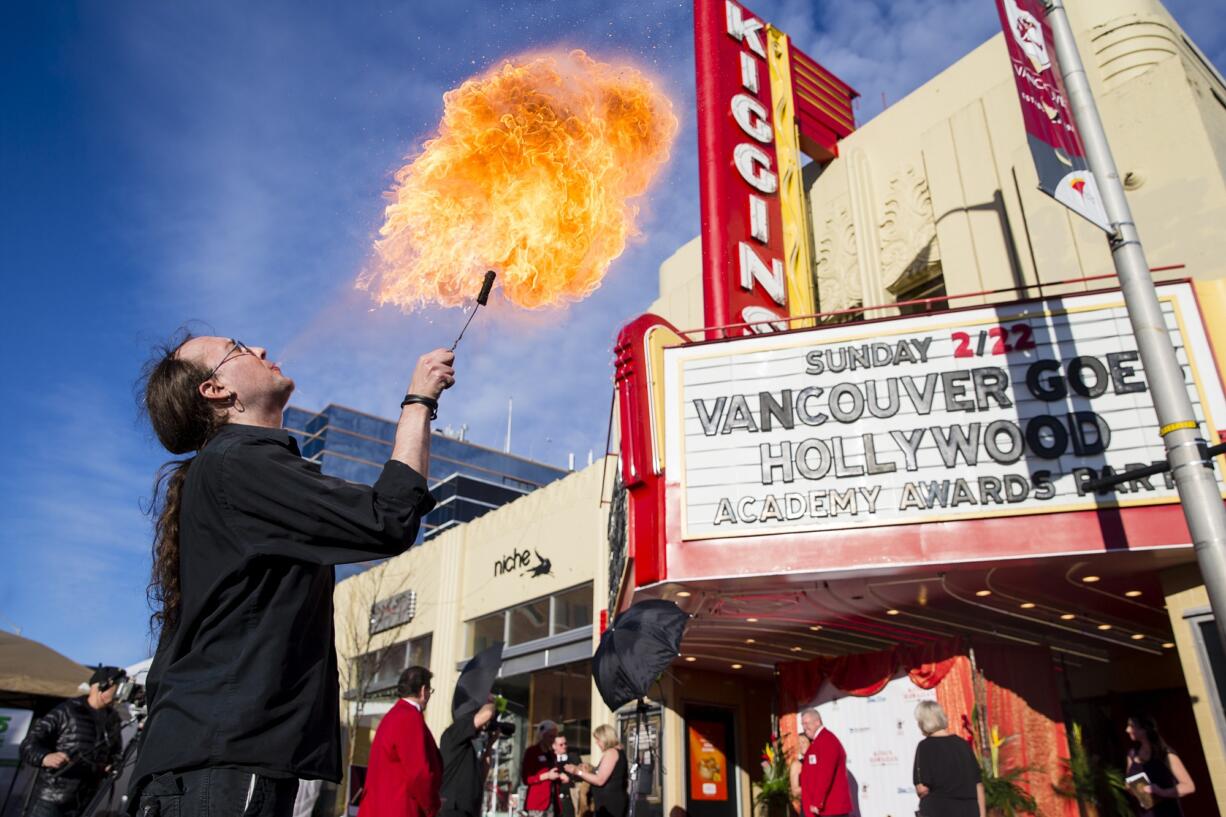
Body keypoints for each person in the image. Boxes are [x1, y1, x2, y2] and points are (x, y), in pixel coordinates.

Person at [131, 333, 453, 817]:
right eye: (238, 349)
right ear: (215, 390)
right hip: (222, 766)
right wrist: (418, 401)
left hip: (215, 762)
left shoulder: (230, 469)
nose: (259, 350)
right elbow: (387, 518)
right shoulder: (238, 462)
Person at [20, 666, 125, 817]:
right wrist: (45, 757)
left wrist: (112, 765)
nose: (120, 692)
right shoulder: (67, 710)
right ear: (101, 686)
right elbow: (28, 745)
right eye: (118, 687)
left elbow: (116, 753)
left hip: (85, 800)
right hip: (51, 800)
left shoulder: (113, 719)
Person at [360, 666, 444, 817]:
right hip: (400, 808)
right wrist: (432, 806)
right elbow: (419, 773)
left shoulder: (392, 716)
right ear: (423, 690)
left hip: (380, 806)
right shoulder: (409, 717)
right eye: (430, 691)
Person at [912, 701, 984, 817]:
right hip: (968, 810)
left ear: (923, 722)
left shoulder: (925, 747)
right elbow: (978, 784)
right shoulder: (963, 744)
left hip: (939, 810)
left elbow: (922, 789)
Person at [1125, 714, 1195, 817]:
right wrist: (1131, 788)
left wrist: (1161, 792)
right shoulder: (1132, 754)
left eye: (1131, 726)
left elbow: (1189, 786)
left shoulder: (1165, 754)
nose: (1127, 730)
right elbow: (1128, 782)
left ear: (1144, 729)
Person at [439, 697, 498, 817]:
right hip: (454, 808)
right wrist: (492, 704)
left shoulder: (468, 746)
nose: (484, 726)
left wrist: (490, 746)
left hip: (469, 809)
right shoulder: (454, 732)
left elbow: (482, 775)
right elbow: (487, 713)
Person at [564, 724, 626, 817]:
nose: (596, 743)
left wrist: (577, 772)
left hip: (610, 805)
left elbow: (600, 780)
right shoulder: (616, 752)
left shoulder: (611, 753)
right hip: (608, 803)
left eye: (598, 740)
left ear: (605, 738)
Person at [797, 709, 850, 817]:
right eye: (802, 724)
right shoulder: (818, 741)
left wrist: (817, 802)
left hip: (831, 809)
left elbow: (825, 774)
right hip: (823, 809)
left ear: (817, 721)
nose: (804, 727)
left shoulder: (827, 740)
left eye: (807, 723)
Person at [522, 721, 562, 817]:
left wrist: (560, 776)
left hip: (552, 803)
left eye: (554, 737)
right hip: (538, 804)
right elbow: (526, 779)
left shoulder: (552, 754)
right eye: (550, 736)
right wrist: (547, 775)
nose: (553, 740)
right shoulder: (532, 752)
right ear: (542, 735)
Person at [552, 733, 578, 817]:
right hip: (553, 801)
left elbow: (579, 775)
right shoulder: (550, 760)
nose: (564, 746)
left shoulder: (573, 757)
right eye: (561, 744)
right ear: (554, 746)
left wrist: (570, 778)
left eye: (565, 743)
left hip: (568, 800)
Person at [789, 734, 810, 815]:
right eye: (799, 743)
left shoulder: (819, 761)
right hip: (807, 808)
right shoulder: (797, 765)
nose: (801, 745)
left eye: (803, 742)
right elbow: (795, 791)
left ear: (811, 743)